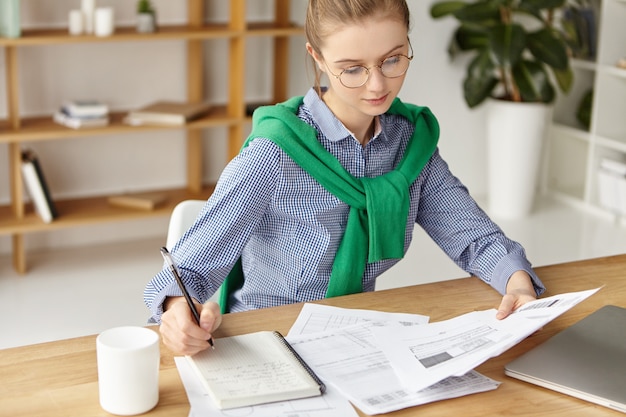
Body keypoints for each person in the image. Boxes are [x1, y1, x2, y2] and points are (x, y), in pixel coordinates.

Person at [144, 0, 545, 356]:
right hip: (270, 339)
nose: (377, 84)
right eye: (352, 68)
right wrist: (177, 312)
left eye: (393, 59)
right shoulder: (275, 152)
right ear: (317, 57)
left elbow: (476, 238)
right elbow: (187, 272)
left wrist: (518, 285)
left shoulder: (411, 145)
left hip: (358, 336)